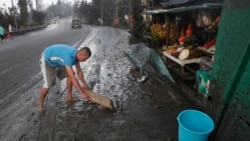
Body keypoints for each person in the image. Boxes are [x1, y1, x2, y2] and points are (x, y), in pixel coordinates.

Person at [38, 44, 92, 112]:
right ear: (80, 54)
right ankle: (40, 103)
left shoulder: (76, 55)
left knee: (70, 75)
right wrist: (81, 93)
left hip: (58, 61)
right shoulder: (68, 57)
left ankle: (69, 97)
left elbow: (79, 71)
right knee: (48, 84)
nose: (85, 60)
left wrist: (84, 84)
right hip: (47, 59)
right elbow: (72, 77)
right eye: (85, 59)